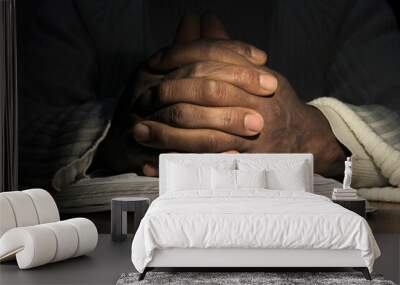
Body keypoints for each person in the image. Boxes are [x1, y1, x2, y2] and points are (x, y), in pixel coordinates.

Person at [20, 0, 400, 204]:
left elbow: (394, 118)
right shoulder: (74, 7)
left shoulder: (345, 7)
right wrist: (113, 133)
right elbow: (17, 134)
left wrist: (315, 137)